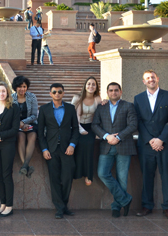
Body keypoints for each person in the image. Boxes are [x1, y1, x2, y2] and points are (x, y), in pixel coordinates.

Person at [134, 70, 168, 219]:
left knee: (166, 175)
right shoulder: (138, 98)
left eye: (153, 77)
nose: (151, 80)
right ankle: (147, 206)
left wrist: (161, 139)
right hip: (147, 145)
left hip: (167, 144)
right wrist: (150, 140)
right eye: (147, 78)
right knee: (147, 175)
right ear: (144, 81)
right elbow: (138, 121)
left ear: (157, 79)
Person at [92, 82, 138, 218]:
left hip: (124, 145)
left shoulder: (128, 106)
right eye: (111, 90)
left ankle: (117, 207)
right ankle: (125, 200)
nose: (113, 93)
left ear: (121, 92)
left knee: (122, 178)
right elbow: (95, 125)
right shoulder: (101, 107)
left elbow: (133, 125)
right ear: (107, 92)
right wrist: (107, 136)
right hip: (106, 146)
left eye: (116, 90)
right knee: (102, 173)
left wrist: (119, 137)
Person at [38, 83, 80, 219]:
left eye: (59, 92)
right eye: (54, 92)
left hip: (67, 148)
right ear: (50, 94)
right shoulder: (44, 109)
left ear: (63, 93)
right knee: (54, 178)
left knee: (67, 178)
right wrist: (44, 149)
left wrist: (72, 145)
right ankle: (60, 208)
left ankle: (64, 205)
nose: (57, 94)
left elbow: (75, 129)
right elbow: (40, 132)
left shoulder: (70, 108)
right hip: (51, 149)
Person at [0, 82, 20, 217]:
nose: (1, 94)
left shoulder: (14, 108)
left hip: (7, 144)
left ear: (7, 93)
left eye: (3, 91)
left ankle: (9, 206)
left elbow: (14, 129)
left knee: (6, 175)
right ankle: (2, 204)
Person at [71, 76, 102, 186]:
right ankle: (77, 173)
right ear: (85, 85)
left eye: (93, 84)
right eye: (89, 84)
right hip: (77, 125)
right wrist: (78, 128)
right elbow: (71, 114)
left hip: (90, 126)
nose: (91, 86)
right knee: (78, 143)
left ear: (96, 87)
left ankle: (88, 174)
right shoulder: (77, 98)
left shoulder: (98, 99)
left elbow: (101, 114)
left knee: (89, 143)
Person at [11, 76, 38, 178]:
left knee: (32, 136)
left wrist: (24, 122)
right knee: (21, 137)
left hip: (31, 123)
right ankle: (26, 165)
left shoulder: (32, 97)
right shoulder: (11, 98)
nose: (22, 89)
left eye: (24, 86)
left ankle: (24, 166)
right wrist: (20, 123)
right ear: (15, 87)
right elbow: (10, 115)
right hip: (16, 125)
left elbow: (35, 115)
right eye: (19, 87)